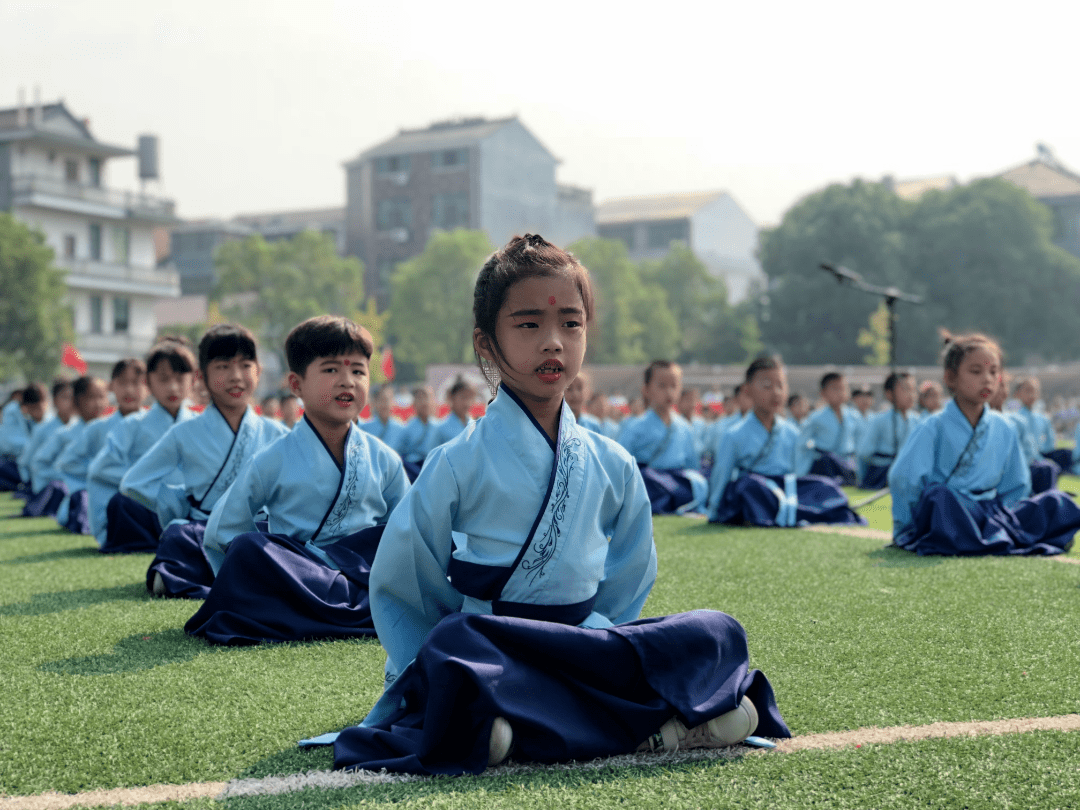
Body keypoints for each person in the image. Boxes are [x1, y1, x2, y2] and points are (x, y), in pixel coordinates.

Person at [330, 234, 788, 776]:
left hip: (584, 645)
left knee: (717, 631)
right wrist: (432, 664)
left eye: (571, 324)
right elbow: (407, 582)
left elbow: (631, 576)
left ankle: (526, 727)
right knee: (455, 643)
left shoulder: (613, 461)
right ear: (486, 343)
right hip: (494, 646)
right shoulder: (456, 462)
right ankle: (646, 727)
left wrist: (603, 645)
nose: (553, 342)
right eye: (529, 325)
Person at [188, 316, 409, 645]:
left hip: (360, 578)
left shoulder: (384, 458)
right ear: (296, 385)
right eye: (331, 369)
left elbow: (408, 527)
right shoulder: (272, 458)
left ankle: (307, 616)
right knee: (248, 549)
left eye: (358, 371)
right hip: (297, 577)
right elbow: (223, 531)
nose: (347, 381)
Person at [122, 325, 289, 597]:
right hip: (203, 529)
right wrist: (174, 503)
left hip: (256, 531)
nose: (236, 376)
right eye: (223, 367)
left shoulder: (278, 433)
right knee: (178, 534)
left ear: (257, 371)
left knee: (274, 543)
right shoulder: (183, 433)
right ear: (202, 377)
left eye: (245, 365)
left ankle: (200, 575)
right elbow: (133, 483)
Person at [888, 332, 1080, 556]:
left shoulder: (1005, 427)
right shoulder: (932, 426)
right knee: (940, 497)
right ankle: (993, 537)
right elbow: (904, 479)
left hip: (991, 513)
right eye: (976, 371)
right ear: (951, 378)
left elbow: (1016, 485)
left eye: (993, 371)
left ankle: (992, 536)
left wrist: (1006, 516)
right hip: (952, 511)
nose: (987, 379)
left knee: (1058, 503)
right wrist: (906, 528)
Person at [707, 356, 862, 527]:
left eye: (780, 385)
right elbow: (721, 476)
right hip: (756, 489)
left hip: (784, 487)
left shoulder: (792, 432)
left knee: (825, 485)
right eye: (767, 386)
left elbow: (798, 474)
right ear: (747, 390)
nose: (776, 392)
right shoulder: (734, 434)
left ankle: (793, 511)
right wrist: (714, 511)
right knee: (750, 487)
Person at [89, 340, 198, 552]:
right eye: (164, 379)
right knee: (122, 504)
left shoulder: (202, 424)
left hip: (188, 507)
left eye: (180, 378)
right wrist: (150, 484)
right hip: (147, 506)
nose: (173, 387)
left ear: (194, 380)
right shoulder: (132, 425)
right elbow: (100, 469)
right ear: (148, 382)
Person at [53, 365, 145, 534]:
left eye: (136, 383)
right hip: (103, 494)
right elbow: (66, 463)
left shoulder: (157, 426)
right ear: (113, 387)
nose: (129, 390)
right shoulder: (98, 427)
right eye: (123, 383)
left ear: (148, 385)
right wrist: (98, 472)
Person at [618, 361, 708, 514]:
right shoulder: (635, 426)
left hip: (675, 478)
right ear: (646, 390)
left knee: (697, 482)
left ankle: (672, 503)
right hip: (650, 479)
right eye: (662, 386)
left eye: (674, 386)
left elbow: (692, 465)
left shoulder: (685, 427)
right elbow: (620, 464)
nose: (669, 392)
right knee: (646, 480)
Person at [18, 379, 76, 517]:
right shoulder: (43, 430)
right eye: (65, 398)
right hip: (50, 485)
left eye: (74, 398)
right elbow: (29, 462)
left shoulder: (82, 428)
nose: (71, 402)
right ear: (55, 401)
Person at [856, 372, 919, 491]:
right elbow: (864, 453)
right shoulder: (880, 420)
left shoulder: (917, 420)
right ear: (889, 394)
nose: (911, 394)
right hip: (883, 471)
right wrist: (862, 478)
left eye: (913, 389)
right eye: (905, 389)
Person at [796, 372, 859, 486]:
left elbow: (860, 444)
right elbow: (801, 445)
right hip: (826, 464)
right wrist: (800, 472)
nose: (840, 392)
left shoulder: (854, 416)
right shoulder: (816, 417)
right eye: (835, 388)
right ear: (823, 393)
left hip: (848, 463)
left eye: (843, 388)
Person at [398, 386, 440, 482]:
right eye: (420, 398)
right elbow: (400, 453)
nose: (424, 402)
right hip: (413, 469)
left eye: (427, 398)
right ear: (414, 403)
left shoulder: (438, 426)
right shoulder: (407, 427)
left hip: (434, 468)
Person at [432, 377, 476, 448]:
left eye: (470, 398)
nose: (467, 403)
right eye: (463, 397)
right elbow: (434, 455)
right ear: (452, 398)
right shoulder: (440, 428)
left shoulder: (476, 425)